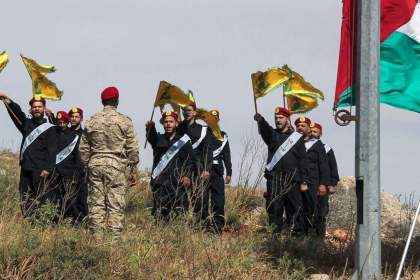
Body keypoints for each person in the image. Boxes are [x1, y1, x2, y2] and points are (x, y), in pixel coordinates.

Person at [79, 86, 139, 236]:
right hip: (116, 166)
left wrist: (86, 164)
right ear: (117, 101)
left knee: (96, 202)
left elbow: (83, 149)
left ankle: (97, 236)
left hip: (95, 164)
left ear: (102, 101)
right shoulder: (124, 121)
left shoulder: (92, 121)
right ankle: (113, 238)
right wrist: (133, 166)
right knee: (115, 203)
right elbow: (132, 147)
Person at [0, 93, 57, 217]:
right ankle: (28, 222)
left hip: (41, 170)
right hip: (26, 169)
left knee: (41, 199)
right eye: (34, 107)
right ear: (31, 109)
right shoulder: (26, 124)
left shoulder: (51, 128)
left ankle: (42, 225)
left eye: (39, 106)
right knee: (25, 198)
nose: (37, 109)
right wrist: (7, 100)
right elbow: (17, 113)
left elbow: (52, 151)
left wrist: (48, 168)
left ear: (44, 108)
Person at [254, 107, 307, 235]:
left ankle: (296, 237)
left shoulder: (297, 138)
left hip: (292, 179)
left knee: (294, 209)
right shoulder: (272, 135)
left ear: (287, 120)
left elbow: (302, 159)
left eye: (280, 118)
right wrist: (261, 121)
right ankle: (275, 237)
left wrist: (303, 180)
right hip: (275, 178)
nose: (277, 120)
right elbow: (265, 129)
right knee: (274, 208)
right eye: (276, 118)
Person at [146, 111, 195, 222]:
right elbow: (151, 137)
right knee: (159, 217)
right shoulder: (158, 139)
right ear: (163, 124)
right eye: (166, 122)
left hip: (177, 184)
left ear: (176, 124)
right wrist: (150, 128)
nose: (168, 124)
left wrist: (187, 176)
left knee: (179, 215)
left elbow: (191, 161)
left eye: (171, 122)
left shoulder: (184, 141)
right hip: (160, 185)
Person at [177, 103, 213, 226]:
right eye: (184, 110)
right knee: (181, 199)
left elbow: (208, 151)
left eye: (188, 110)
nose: (186, 112)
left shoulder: (203, 130)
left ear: (194, 113)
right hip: (182, 168)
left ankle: (202, 227)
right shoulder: (178, 128)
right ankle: (181, 226)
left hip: (199, 169)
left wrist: (207, 169)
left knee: (200, 199)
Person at [295, 117, 330, 236]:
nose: (300, 128)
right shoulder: (292, 142)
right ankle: (298, 236)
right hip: (296, 181)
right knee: (297, 209)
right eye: (298, 126)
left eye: (303, 126)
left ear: (309, 129)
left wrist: (323, 184)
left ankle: (313, 237)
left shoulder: (317, 145)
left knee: (312, 209)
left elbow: (324, 165)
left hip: (313, 182)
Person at [205, 109, 232, 234]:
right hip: (205, 171)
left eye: (215, 119)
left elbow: (227, 155)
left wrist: (229, 172)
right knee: (203, 200)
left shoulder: (223, 136)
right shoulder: (202, 134)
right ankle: (203, 226)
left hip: (218, 172)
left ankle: (217, 228)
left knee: (219, 201)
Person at [310, 122, 340, 235]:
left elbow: (333, 167)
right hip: (310, 184)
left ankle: (319, 237)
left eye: (315, 132)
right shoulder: (305, 147)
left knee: (321, 212)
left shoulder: (326, 149)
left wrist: (332, 184)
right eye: (311, 131)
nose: (312, 134)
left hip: (323, 184)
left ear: (320, 134)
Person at [67, 107, 88, 222]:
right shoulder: (66, 132)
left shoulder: (85, 134)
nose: (74, 119)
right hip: (68, 171)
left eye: (77, 117)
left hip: (81, 171)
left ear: (81, 119)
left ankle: (82, 222)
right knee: (69, 199)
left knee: (82, 199)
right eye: (72, 117)